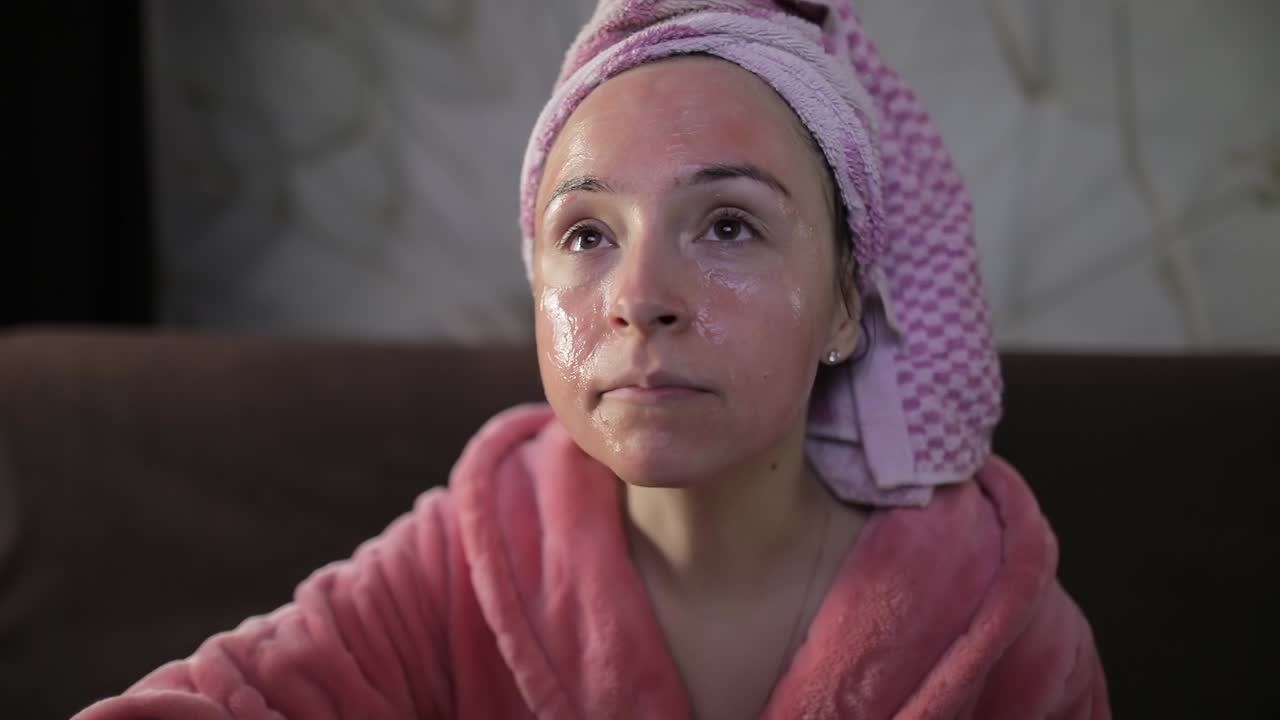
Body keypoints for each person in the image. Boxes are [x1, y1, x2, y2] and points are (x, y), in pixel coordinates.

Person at [73, 1, 1109, 718]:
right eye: (585, 235)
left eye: (730, 227)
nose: (640, 300)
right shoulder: (460, 567)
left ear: (846, 303)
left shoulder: (1002, 629)